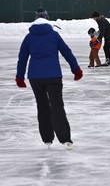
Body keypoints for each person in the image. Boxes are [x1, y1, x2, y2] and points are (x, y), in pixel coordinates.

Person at [15, 8, 83, 150]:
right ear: (47, 19)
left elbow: (22, 59)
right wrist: (76, 69)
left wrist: (19, 77)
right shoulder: (54, 35)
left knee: (43, 107)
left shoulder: (29, 37)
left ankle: (47, 139)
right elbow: (67, 52)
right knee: (57, 107)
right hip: (53, 76)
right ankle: (65, 139)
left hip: (35, 77)